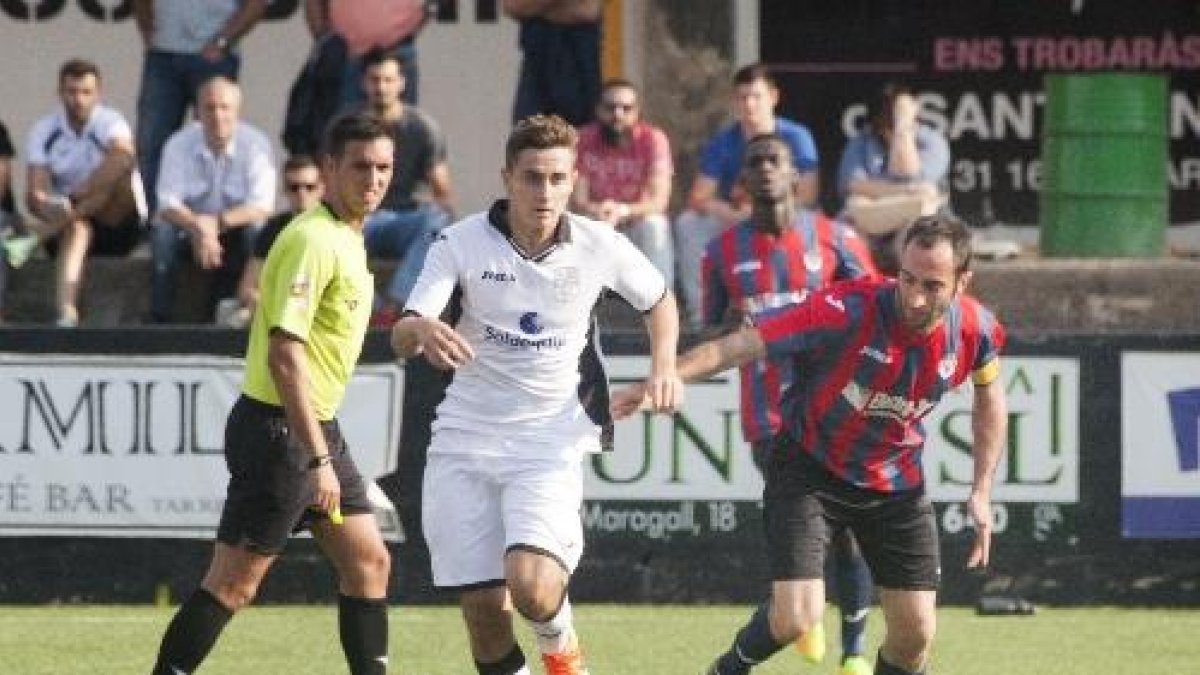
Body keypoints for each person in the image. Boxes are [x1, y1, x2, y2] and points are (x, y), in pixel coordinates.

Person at [614, 214, 1008, 675]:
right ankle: (726, 670)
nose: (915, 297)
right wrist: (659, 379)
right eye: (907, 278)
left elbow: (990, 397)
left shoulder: (977, 331)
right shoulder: (847, 307)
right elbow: (740, 346)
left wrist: (981, 488)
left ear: (963, 282)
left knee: (916, 635)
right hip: (809, 469)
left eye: (933, 286)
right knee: (798, 617)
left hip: (896, 483)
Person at [391, 114, 681, 675]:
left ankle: (561, 651)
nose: (543, 191)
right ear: (507, 177)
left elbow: (659, 300)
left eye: (556, 178)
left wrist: (663, 366)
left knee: (532, 586)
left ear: (573, 180)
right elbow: (406, 328)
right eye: (531, 177)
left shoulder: (599, 244)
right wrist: (422, 330)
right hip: (466, 436)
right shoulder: (459, 241)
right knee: (482, 611)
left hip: (550, 439)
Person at [148, 112, 395, 675]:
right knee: (234, 584)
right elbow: (285, 354)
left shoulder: (348, 236)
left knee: (369, 563)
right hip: (281, 433)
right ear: (330, 169)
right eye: (360, 166)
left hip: (313, 427)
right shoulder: (312, 238)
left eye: (383, 167)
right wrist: (317, 460)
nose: (374, 178)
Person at [700, 133, 878, 675]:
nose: (765, 169)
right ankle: (806, 614)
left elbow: (874, 312)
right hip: (768, 418)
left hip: (835, 414)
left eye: (774, 160)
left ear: (796, 173)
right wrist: (745, 324)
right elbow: (712, 327)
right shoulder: (722, 252)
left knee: (846, 530)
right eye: (754, 162)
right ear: (743, 181)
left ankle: (853, 651)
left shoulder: (835, 238)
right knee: (807, 527)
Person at [676, 63, 820, 328]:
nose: (750, 104)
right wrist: (730, 212)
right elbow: (699, 197)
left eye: (757, 96)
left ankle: (812, 315)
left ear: (773, 98)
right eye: (743, 97)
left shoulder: (796, 136)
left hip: (787, 218)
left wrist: (767, 209)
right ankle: (701, 320)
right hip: (739, 217)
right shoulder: (724, 141)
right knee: (689, 223)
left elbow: (808, 196)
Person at [21, 59, 145, 328]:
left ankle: (51, 227)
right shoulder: (45, 130)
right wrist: (50, 206)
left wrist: (79, 195)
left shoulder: (111, 121)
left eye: (86, 92)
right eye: (72, 92)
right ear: (60, 92)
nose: (78, 100)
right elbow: (34, 195)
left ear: (98, 93)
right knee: (78, 227)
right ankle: (67, 312)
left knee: (118, 178)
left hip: (117, 224)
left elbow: (124, 158)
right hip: (69, 227)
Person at [151, 76, 277, 324]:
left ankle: (254, 312)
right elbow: (167, 202)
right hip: (188, 230)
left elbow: (262, 205)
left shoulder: (255, 145)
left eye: (224, 107)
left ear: (237, 111)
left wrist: (215, 224)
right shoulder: (178, 144)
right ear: (197, 111)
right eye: (209, 107)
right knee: (162, 234)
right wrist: (200, 227)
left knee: (259, 232)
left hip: (235, 228)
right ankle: (160, 316)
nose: (217, 115)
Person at [133, 0, 268, 215]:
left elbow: (256, 4)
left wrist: (223, 41)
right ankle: (157, 224)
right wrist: (148, 32)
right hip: (163, 53)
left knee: (214, 142)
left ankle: (213, 230)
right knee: (151, 143)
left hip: (215, 56)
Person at [354, 47, 453, 324]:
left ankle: (396, 305)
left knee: (438, 221)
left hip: (407, 218)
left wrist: (445, 217)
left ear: (401, 83)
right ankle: (370, 307)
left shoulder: (422, 127)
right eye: (374, 79)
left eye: (388, 79)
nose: (381, 87)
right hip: (361, 217)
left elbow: (443, 192)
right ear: (364, 83)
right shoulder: (348, 128)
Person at [836, 84, 950, 274]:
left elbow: (907, 173)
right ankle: (862, 290)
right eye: (892, 113)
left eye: (904, 112)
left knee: (918, 223)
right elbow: (854, 186)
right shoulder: (862, 141)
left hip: (914, 221)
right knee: (851, 222)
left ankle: (910, 290)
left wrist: (902, 129)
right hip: (872, 223)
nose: (895, 118)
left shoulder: (933, 141)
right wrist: (907, 192)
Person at [571, 78, 674, 287]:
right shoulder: (583, 138)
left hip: (637, 221)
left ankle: (663, 302)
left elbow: (659, 202)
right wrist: (600, 211)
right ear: (598, 110)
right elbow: (578, 201)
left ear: (637, 112)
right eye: (610, 108)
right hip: (597, 221)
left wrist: (622, 210)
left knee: (655, 225)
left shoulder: (653, 139)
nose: (618, 115)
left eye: (626, 108)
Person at [224, 154, 325, 327]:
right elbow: (247, 287)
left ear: (322, 188)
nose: (302, 193)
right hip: (277, 310)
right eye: (294, 187)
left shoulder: (335, 227)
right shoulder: (273, 228)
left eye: (309, 187)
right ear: (284, 190)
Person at [304, 0, 436, 107]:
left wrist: (412, 27)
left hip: (398, 53)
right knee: (346, 129)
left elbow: (432, 6)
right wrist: (325, 41)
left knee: (398, 130)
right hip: (345, 57)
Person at [503, 0, 602, 127]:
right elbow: (513, 6)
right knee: (528, 134)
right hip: (536, 63)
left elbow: (587, 11)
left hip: (580, 63)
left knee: (585, 136)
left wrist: (536, 10)